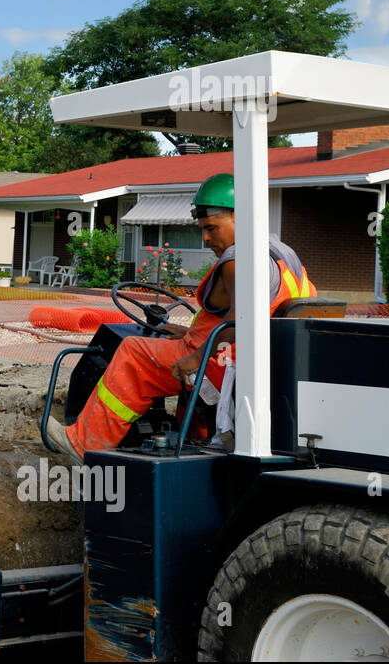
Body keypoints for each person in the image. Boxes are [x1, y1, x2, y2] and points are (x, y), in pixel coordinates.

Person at [44, 173, 316, 466]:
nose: (206, 238)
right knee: (161, 351)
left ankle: (84, 443)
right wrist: (189, 334)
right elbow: (258, 313)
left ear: (241, 215)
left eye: (212, 227)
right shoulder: (283, 255)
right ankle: (184, 436)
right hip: (256, 366)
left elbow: (243, 319)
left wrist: (197, 355)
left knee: (134, 354)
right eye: (202, 229)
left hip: (221, 370)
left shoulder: (238, 260)